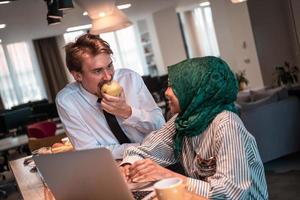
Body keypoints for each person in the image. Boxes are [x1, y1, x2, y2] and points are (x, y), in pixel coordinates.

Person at [120, 56, 268, 199]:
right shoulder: (182, 121)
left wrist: (167, 175)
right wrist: (127, 166)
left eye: (174, 87)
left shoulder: (227, 124)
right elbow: (145, 150)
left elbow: (229, 194)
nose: (167, 92)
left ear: (195, 90)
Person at [56, 33, 165, 159]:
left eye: (109, 66)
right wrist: (141, 147)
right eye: (97, 71)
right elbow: (90, 153)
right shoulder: (67, 101)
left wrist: (128, 112)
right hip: (115, 167)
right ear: (77, 75)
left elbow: (160, 126)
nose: (108, 76)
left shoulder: (130, 79)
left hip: (158, 159)